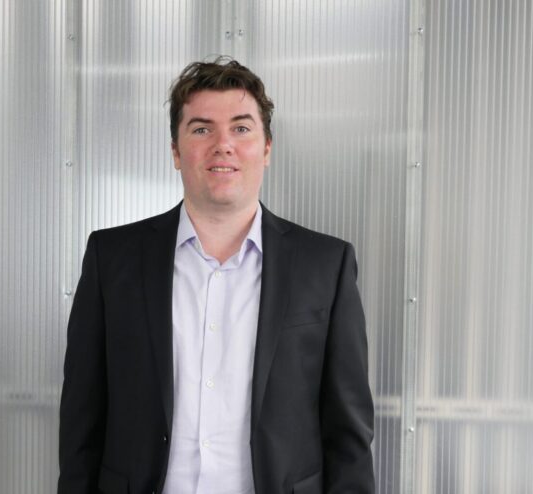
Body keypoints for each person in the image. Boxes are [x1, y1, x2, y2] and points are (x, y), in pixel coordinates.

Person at [58, 57, 374, 494]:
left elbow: (348, 433)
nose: (222, 144)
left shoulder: (325, 264)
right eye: (201, 129)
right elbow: (81, 419)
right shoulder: (112, 259)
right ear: (175, 150)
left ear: (266, 149)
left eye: (242, 129)